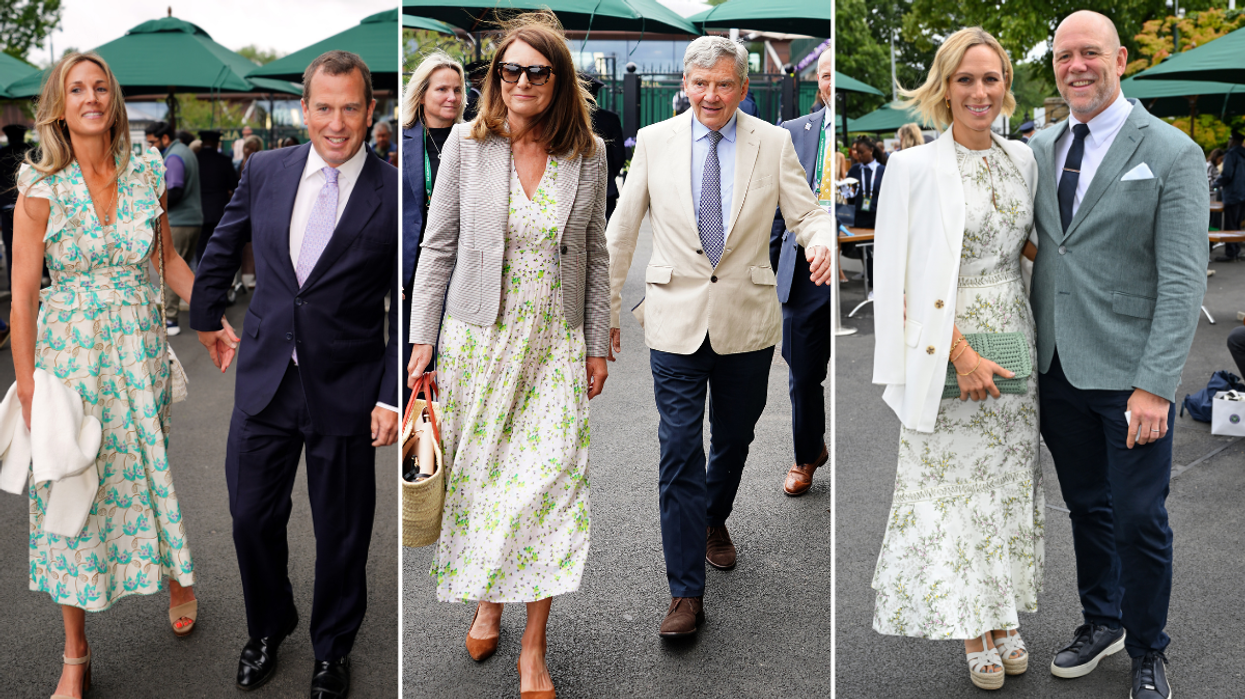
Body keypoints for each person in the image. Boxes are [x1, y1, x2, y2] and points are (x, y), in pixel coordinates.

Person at [406, 13, 609, 698]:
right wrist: (422, 340)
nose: (521, 82)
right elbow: (437, 245)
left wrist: (598, 337)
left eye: (536, 71)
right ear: (494, 78)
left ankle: (532, 647)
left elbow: (595, 251)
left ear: (558, 79)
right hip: (478, 343)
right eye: (508, 70)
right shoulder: (468, 143)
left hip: (553, 345)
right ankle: (488, 597)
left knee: (549, 487)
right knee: (486, 488)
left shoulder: (588, 153)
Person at [606, 35, 834, 638]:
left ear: (742, 88)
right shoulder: (655, 143)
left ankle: (713, 517)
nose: (711, 95)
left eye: (724, 85)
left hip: (748, 320)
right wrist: (602, 318)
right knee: (679, 448)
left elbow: (806, 213)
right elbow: (621, 233)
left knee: (733, 437)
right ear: (686, 85)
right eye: (701, 84)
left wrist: (821, 243)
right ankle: (685, 593)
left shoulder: (775, 142)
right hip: (674, 319)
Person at [190, 50, 399, 699]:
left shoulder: (393, 192)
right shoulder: (266, 168)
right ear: (304, 109)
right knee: (251, 516)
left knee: (342, 529)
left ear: (369, 111)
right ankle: (268, 625)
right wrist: (205, 312)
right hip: (265, 378)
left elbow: (412, 293)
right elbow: (225, 240)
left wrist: (393, 395)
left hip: (348, 386)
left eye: (349, 108)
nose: (336, 123)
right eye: (323, 107)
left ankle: (332, 649)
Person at [1028, 12, 1208, 699]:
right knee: (1085, 506)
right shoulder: (1039, 147)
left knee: (1138, 515)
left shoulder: (1169, 152)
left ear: (1120, 58)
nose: (1075, 65)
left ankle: (1148, 646)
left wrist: (1157, 385)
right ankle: (1100, 620)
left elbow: (1183, 278)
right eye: (1063, 55)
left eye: (1089, 53)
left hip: (1132, 380)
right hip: (1057, 369)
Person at [10, 52, 199, 699]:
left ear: (114, 101)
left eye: (101, 87)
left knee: (147, 470)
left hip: (139, 353)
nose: (91, 97)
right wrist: (30, 388)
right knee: (71, 492)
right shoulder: (39, 186)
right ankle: (75, 651)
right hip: (72, 364)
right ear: (59, 106)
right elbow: (22, 298)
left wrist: (221, 322)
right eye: (77, 88)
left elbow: (168, 262)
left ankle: (175, 572)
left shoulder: (148, 169)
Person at [871, 26, 1041, 691]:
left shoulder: (1021, 160)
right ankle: (972, 624)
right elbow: (897, 278)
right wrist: (962, 354)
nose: (978, 91)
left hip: (1015, 340)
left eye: (990, 78)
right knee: (953, 493)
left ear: (1005, 86)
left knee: (1004, 489)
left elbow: (1026, 247)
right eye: (964, 79)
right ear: (943, 87)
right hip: (945, 345)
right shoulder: (911, 167)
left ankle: (1002, 613)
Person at [770, 48, 832, 496]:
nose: (834, 83)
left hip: (852, 269)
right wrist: (776, 266)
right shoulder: (793, 133)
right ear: (818, 82)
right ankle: (807, 454)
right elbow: (776, 210)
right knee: (803, 374)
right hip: (804, 270)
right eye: (828, 75)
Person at [400, 50, 464, 407]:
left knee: (453, 364)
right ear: (422, 93)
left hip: (464, 269)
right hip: (414, 274)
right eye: (442, 89)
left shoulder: (476, 140)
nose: (452, 97)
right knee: (415, 367)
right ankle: (419, 454)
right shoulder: (402, 141)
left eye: (457, 89)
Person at [144, 120, 202, 337]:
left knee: (166, 269)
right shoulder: (185, 151)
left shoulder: (174, 157)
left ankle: (170, 318)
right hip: (193, 219)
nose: (151, 148)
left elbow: (175, 190)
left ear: (165, 138)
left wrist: (154, 207)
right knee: (183, 268)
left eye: (153, 142)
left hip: (179, 221)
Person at [583, 73, 625, 220]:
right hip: (606, 188)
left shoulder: (566, 117)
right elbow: (619, 155)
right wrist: (609, 174)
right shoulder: (610, 119)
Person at [193, 130, 239, 264]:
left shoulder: (195, 160)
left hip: (199, 209)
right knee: (219, 245)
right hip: (220, 210)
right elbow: (235, 186)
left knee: (201, 246)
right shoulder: (224, 161)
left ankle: (201, 275)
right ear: (215, 143)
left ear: (202, 142)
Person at [843, 135, 883, 286]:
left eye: (861, 152)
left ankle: (876, 281)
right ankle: (871, 281)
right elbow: (850, 195)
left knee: (876, 251)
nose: (858, 156)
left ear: (871, 150)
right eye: (856, 153)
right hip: (859, 217)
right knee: (864, 251)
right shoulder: (854, 170)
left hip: (877, 217)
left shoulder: (882, 170)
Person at [1, 124, 35, 296]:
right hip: (32, 205)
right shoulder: (33, 151)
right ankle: (37, 281)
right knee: (35, 245)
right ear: (23, 135)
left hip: (6, 205)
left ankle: (13, 285)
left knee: (10, 246)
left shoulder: (1, 153)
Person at [1217, 131, 1244, 261]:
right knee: (1238, 224)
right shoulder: (1243, 154)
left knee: (1230, 225)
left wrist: (1214, 185)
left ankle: (1231, 253)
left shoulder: (1231, 154)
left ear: (1233, 141)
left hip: (1233, 195)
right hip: (1243, 195)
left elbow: (1227, 174)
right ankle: (1236, 251)